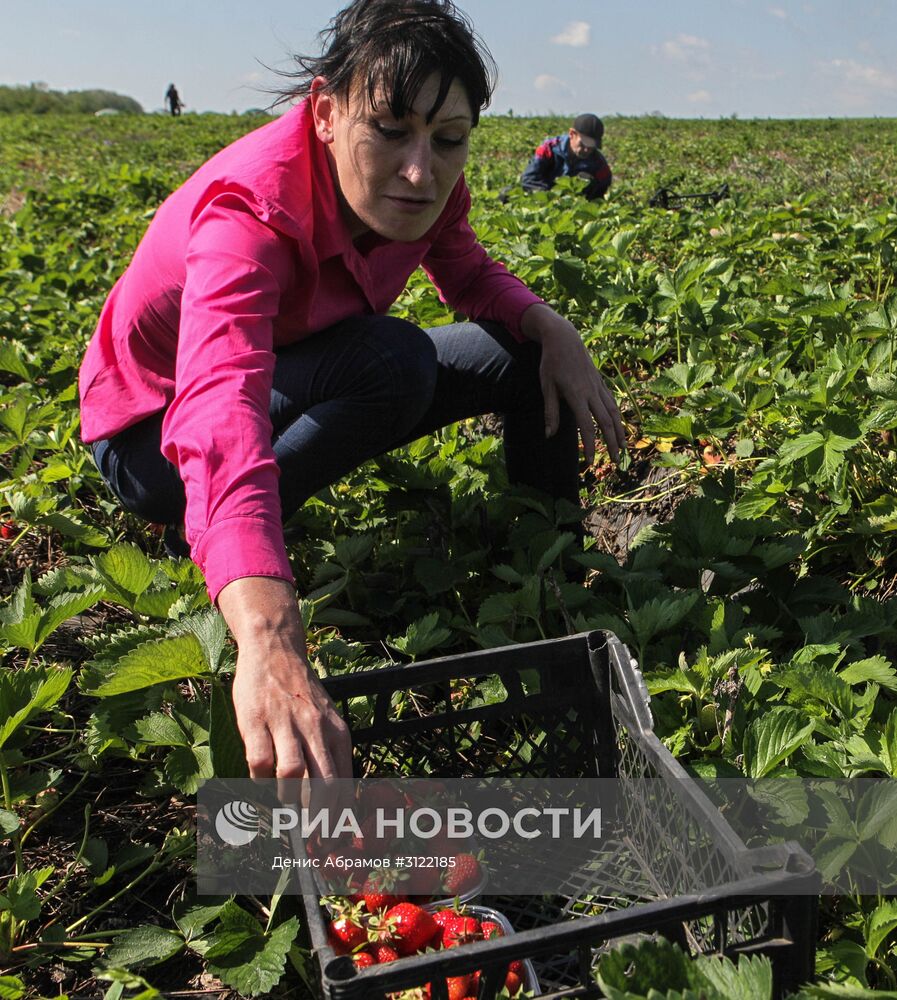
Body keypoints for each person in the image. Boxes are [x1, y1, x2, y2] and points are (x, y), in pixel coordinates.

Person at [79, 0, 626, 785]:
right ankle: (203, 536)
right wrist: (268, 635)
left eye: (447, 139)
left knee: (513, 353)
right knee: (392, 360)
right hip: (150, 439)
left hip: (295, 369)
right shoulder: (248, 212)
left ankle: (555, 579)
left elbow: (465, 272)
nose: (419, 169)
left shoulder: (432, 184)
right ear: (328, 113)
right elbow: (218, 406)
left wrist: (550, 326)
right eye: (391, 130)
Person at [519, 113, 612, 200]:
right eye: (583, 144)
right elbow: (529, 179)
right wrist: (552, 197)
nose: (587, 150)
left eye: (591, 146)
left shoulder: (598, 162)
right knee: (506, 194)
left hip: (577, 205)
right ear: (572, 134)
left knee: (586, 178)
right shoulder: (549, 149)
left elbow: (602, 188)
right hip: (544, 198)